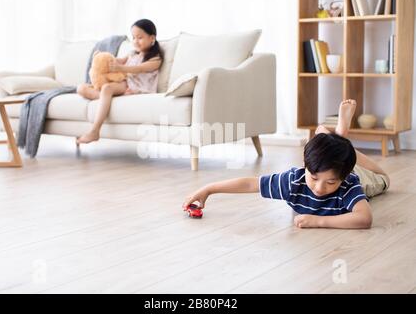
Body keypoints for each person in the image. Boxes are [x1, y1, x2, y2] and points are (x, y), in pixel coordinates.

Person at [182, 100, 390, 229]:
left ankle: (342, 141)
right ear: (304, 166)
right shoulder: (294, 180)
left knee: (384, 179)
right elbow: (250, 184)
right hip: (337, 165)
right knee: (334, 159)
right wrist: (208, 190)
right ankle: (338, 141)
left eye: (330, 183)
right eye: (314, 178)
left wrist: (318, 221)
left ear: (342, 179)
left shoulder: (348, 184)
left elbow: (364, 219)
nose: (319, 188)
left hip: (360, 176)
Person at [76, 19, 163, 144]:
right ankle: (110, 98)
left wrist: (121, 68)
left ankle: (95, 131)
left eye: (140, 37)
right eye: (133, 37)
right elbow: (117, 61)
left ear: (152, 38)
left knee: (107, 88)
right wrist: (101, 58)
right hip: (124, 83)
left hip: (135, 87)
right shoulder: (132, 54)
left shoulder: (155, 59)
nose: (135, 41)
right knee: (81, 88)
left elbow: (138, 69)